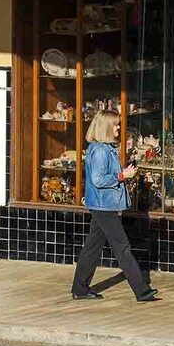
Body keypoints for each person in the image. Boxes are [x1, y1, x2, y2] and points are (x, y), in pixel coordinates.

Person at [71, 110, 158, 302]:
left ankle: (80, 288)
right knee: (122, 247)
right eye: (115, 124)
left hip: (103, 204)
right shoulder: (100, 150)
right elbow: (99, 179)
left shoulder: (104, 148)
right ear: (105, 127)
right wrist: (122, 176)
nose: (119, 127)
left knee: (92, 247)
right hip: (103, 205)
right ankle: (141, 290)